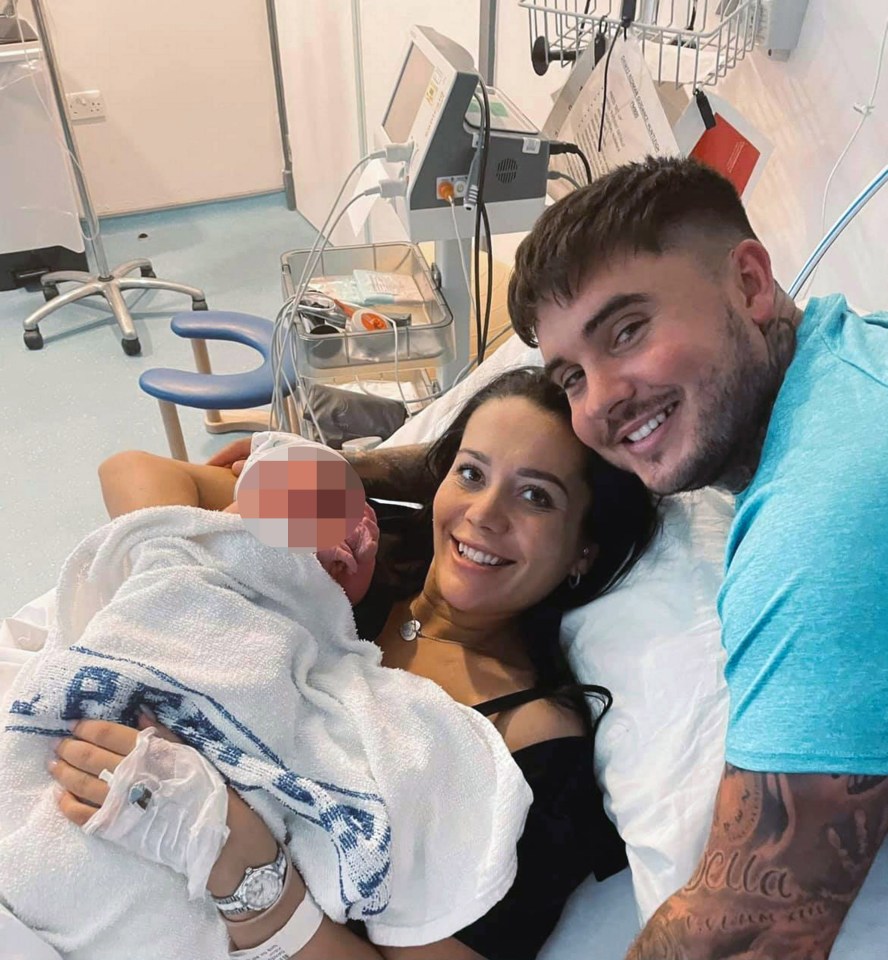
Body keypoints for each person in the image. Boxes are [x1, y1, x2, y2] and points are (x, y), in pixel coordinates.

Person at [50, 368, 659, 960]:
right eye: (471, 473)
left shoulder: (527, 746)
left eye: (536, 496)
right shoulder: (354, 553)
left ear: (583, 549)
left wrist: (239, 864)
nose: (484, 514)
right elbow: (133, 472)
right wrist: (212, 560)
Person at [505, 157, 888, 959]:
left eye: (628, 331)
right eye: (572, 375)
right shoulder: (850, 359)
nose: (602, 399)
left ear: (749, 283)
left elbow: (751, 930)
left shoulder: (817, 519)